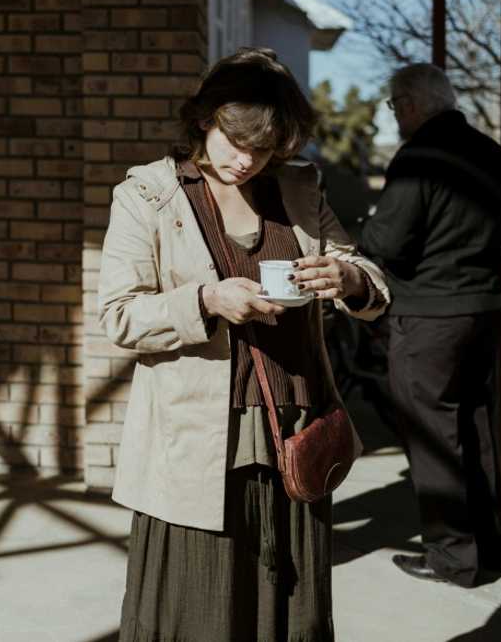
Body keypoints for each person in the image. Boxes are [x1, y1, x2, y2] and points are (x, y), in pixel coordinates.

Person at [99, 47, 389, 641]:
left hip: (296, 427)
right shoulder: (148, 195)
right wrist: (206, 301)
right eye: (237, 142)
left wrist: (350, 279)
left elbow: (365, 275)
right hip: (197, 440)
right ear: (205, 118)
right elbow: (119, 317)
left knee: (290, 608)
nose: (247, 161)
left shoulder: (299, 190)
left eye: (264, 149)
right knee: (200, 606)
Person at [359, 63, 501, 588]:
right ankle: (487, 545)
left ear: (411, 103)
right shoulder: (492, 153)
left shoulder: (420, 156)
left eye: (394, 106)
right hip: (484, 307)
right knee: (473, 428)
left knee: (433, 439)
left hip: (431, 315)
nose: (394, 115)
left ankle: (451, 557)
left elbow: (387, 243)